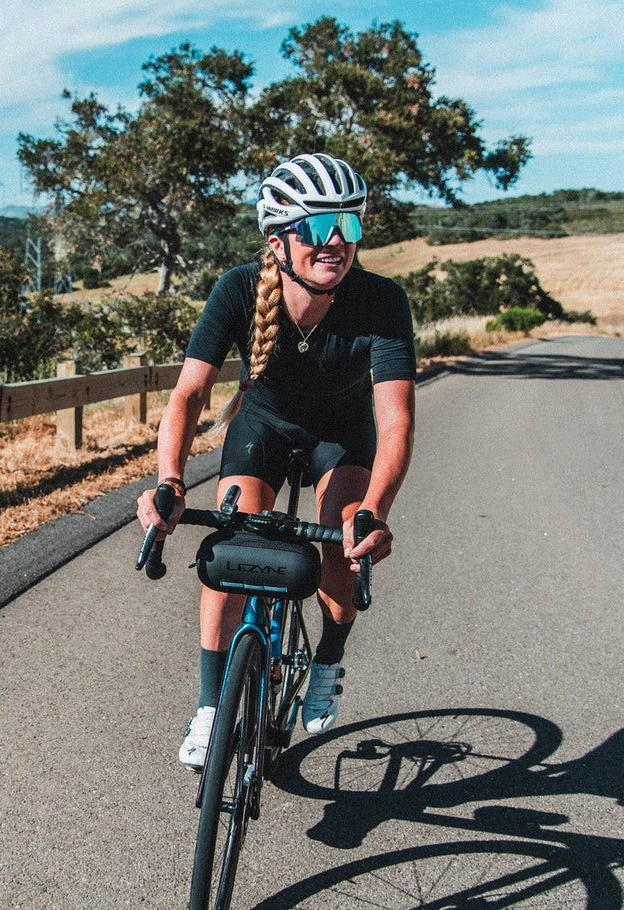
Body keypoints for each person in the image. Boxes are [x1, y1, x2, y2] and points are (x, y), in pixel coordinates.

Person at [136, 152, 416, 770]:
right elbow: (188, 394)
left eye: (348, 224)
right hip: (261, 428)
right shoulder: (238, 289)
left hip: (341, 435)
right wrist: (169, 480)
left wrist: (373, 511)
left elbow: (395, 419)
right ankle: (211, 707)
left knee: (341, 550)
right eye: (316, 226)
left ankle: (328, 660)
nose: (335, 241)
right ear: (278, 240)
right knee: (233, 551)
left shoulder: (381, 300)